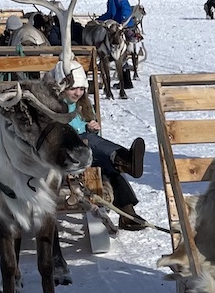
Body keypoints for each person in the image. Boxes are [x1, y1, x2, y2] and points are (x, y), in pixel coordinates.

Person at [48, 57, 147, 230]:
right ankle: (123, 159)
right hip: (64, 154)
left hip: (86, 152)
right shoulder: (54, 106)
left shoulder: (84, 104)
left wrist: (93, 128)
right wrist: (85, 131)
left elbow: (94, 134)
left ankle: (128, 215)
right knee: (96, 147)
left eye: (81, 88)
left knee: (110, 167)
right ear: (62, 87)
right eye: (73, 89)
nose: (78, 93)